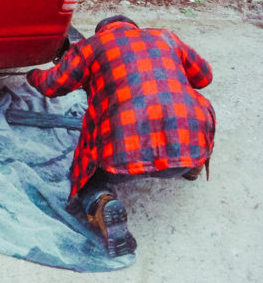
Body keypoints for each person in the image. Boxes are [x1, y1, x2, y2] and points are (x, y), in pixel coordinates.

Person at [26, 15, 215, 257]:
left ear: (102, 31)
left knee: (86, 177)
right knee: (193, 110)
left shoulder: (93, 45)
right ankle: (193, 166)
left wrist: (31, 74)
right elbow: (204, 78)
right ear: (133, 27)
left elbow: (52, 85)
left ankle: (101, 202)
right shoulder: (165, 37)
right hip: (187, 146)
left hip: (122, 155)